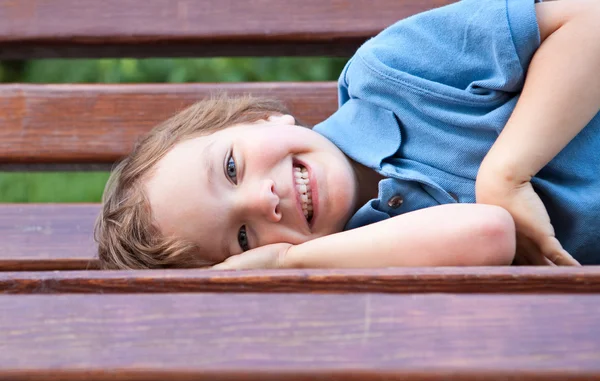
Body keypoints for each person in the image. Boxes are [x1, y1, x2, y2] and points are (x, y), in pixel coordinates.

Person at [95, 0, 600, 270]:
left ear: (258, 118)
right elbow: (487, 232)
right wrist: (290, 261)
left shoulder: (392, 71)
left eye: (231, 168)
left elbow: (589, 19)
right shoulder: (366, 254)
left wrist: (506, 173)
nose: (262, 199)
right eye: (243, 238)